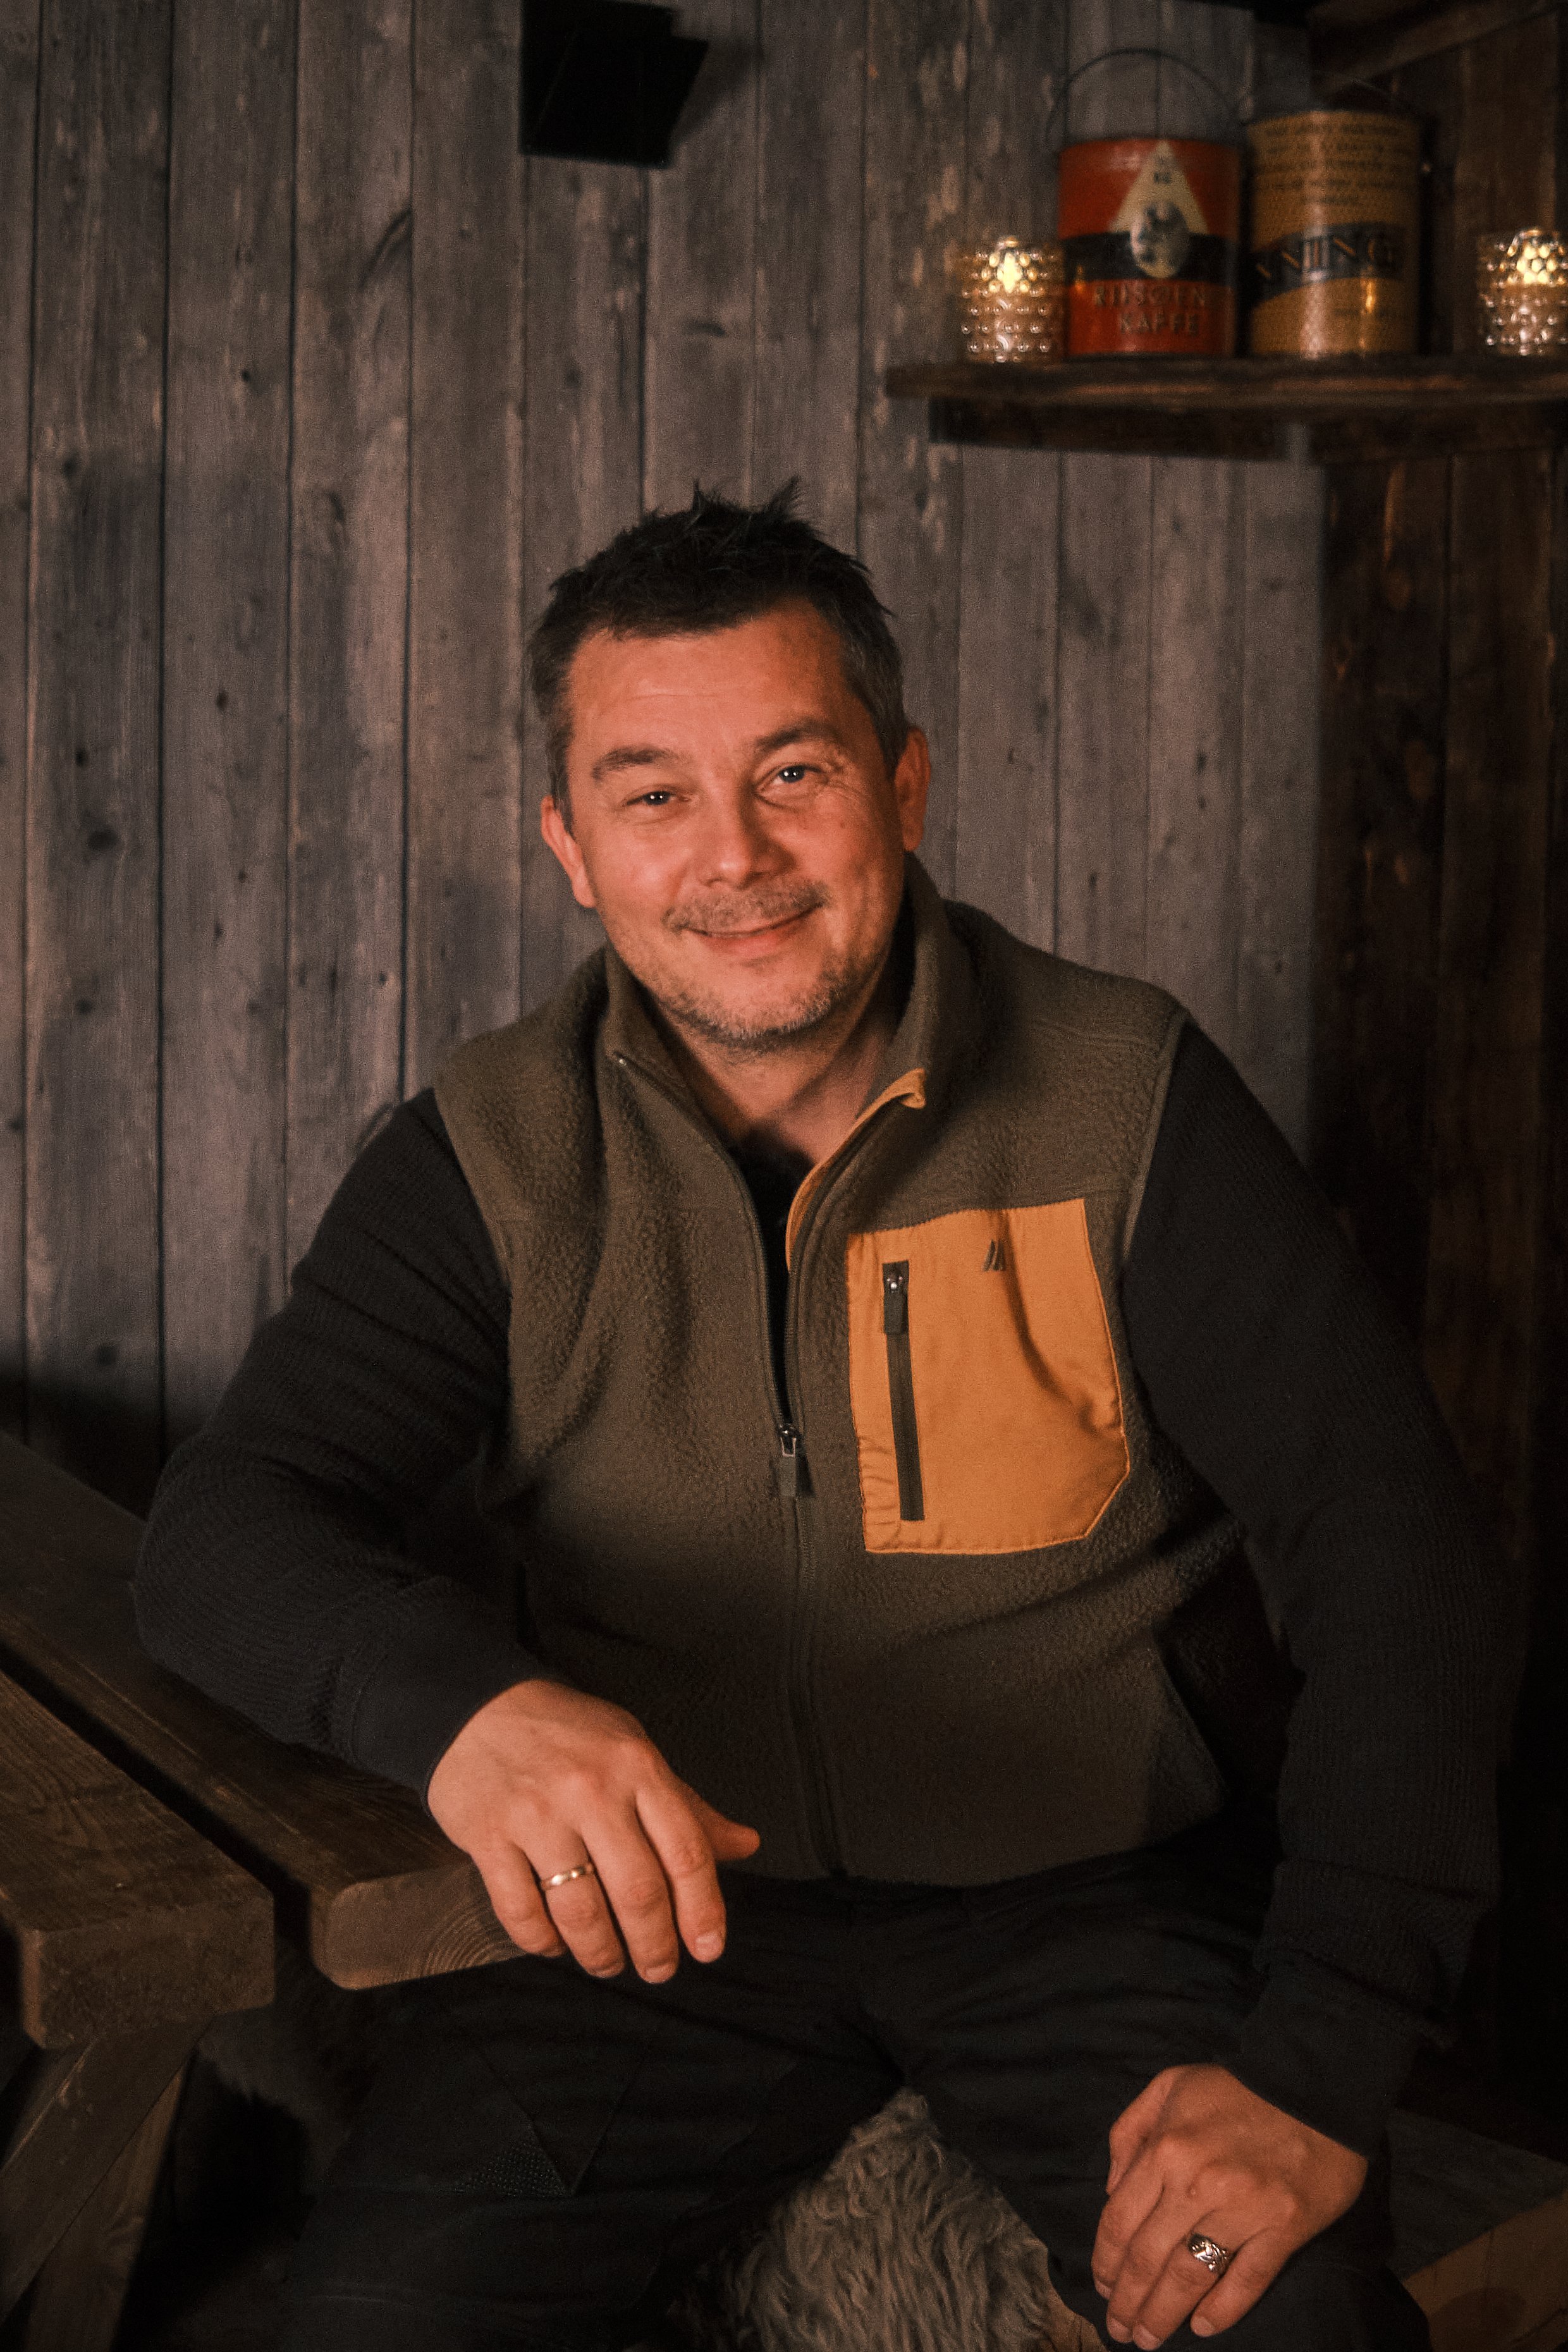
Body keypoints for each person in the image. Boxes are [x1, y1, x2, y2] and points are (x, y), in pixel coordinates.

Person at [137, 486, 1506, 2352]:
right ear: (568, 845)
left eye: (794, 772)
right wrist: (459, 1709)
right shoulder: (489, 1153)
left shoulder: (1127, 1097)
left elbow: (1396, 1560)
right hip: (658, 1931)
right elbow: (228, 1524)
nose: (735, 856)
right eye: (652, 794)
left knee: (1293, 2324)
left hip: (1092, 1905)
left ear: (908, 783)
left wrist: (1325, 2058)